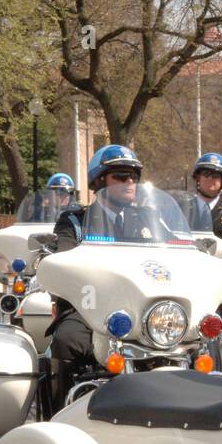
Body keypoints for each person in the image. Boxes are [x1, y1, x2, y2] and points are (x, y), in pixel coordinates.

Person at [47, 144, 149, 407]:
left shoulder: (148, 222)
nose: (130, 182)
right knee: (67, 339)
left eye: (134, 177)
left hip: (140, 308)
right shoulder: (75, 222)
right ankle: (61, 414)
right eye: (121, 176)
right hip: (87, 308)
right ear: (99, 181)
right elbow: (62, 262)